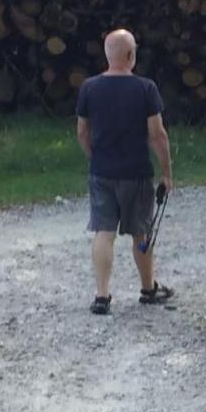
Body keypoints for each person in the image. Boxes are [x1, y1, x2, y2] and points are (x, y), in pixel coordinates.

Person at [76, 28, 174, 315]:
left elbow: (82, 130)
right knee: (141, 233)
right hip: (137, 173)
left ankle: (102, 296)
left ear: (107, 55)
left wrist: (93, 156)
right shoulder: (146, 88)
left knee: (103, 232)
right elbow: (158, 134)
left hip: (102, 171)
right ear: (131, 55)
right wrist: (167, 172)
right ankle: (147, 289)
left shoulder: (89, 87)